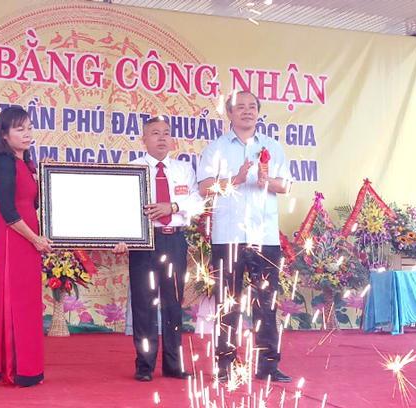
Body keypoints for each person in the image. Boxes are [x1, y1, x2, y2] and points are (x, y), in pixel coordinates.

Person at [197, 91, 293, 383]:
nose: (247, 111)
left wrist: (267, 181)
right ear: (229, 113)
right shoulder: (216, 148)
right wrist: (236, 180)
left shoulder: (272, 147)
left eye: (252, 107)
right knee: (227, 303)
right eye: (240, 107)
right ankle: (225, 365)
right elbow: (204, 187)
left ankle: (268, 365)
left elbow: (286, 185)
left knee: (266, 304)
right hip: (228, 236)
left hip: (265, 236)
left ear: (258, 113)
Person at [114, 116, 202, 382]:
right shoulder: (134, 168)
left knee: (173, 304)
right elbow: (121, 207)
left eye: (166, 133)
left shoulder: (184, 169)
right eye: (155, 133)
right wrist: (120, 237)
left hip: (174, 240)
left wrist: (173, 207)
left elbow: (197, 202)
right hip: (144, 244)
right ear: (144, 139)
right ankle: (144, 365)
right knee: (143, 305)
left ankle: (174, 364)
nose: (162, 138)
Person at [0, 106, 53, 387]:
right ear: (4, 134)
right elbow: (8, 211)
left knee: (28, 304)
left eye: (29, 128)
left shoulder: (25, 163)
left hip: (27, 238)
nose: (27, 134)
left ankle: (28, 368)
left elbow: (33, 204)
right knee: (15, 303)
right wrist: (35, 239)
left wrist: (44, 176)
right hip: (12, 239)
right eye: (19, 129)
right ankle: (15, 370)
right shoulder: (3, 163)